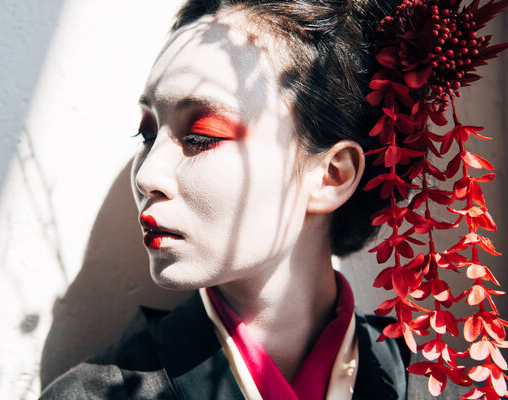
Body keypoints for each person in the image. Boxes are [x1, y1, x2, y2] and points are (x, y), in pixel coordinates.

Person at [39, 0, 464, 398]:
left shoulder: (434, 384)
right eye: (147, 134)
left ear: (332, 176)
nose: (147, 174)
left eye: (200, 137)